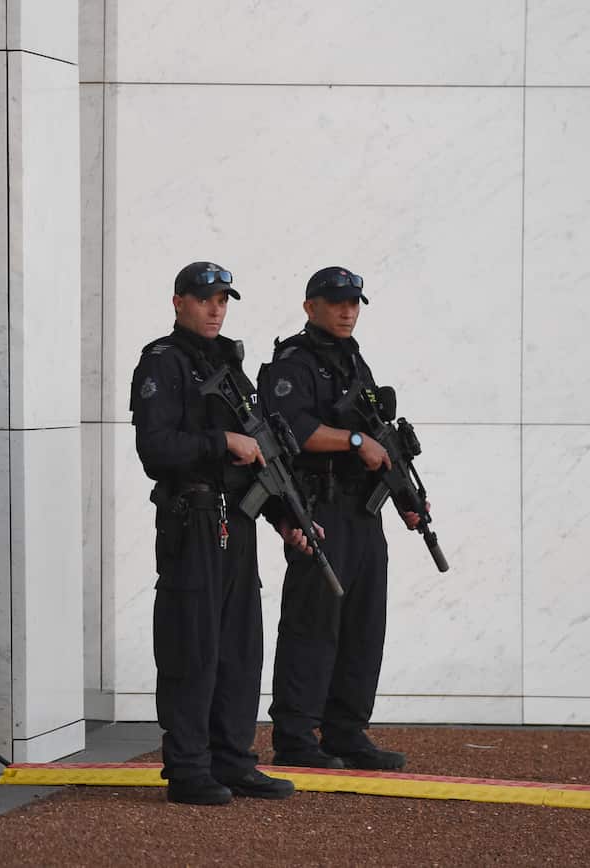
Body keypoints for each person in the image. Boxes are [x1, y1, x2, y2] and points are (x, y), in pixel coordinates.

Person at [130, 260, 314, 805]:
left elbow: (261, 456)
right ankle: (189, 768)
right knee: (193, 647)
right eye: (205, 298)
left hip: (238, 520)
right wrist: (221, 442)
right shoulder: (161, 364)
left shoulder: (230, 367)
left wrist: (287, 519)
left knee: (239, 649)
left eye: (223, 300)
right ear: (178, 301)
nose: (215, 308)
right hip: (193, 523)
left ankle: (233, 761)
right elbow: (154, 449)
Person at [260, 266, 423, 771]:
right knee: (314, 623)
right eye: (336, 303)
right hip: (319, 506)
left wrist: (406, 498)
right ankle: (294, 734)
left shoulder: (354, 361)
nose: (348, 311)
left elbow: (380, 436)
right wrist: (356, 441)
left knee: (362, 624)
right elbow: (296, 428)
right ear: (310, 307)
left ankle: (346, 731)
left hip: (361, 510)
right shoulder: (293, 362)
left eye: (354, 303)